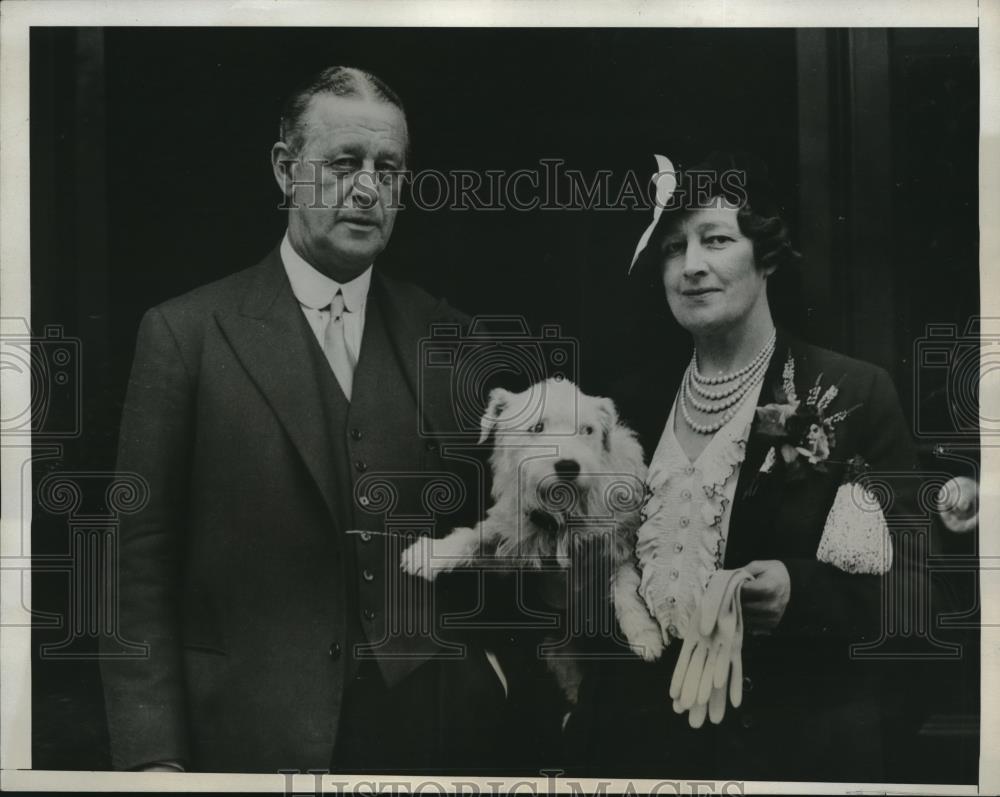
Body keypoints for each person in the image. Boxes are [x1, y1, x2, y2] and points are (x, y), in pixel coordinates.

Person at [100, 66, 521, 774]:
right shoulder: (186, 334)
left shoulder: (445, 334)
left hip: (422, 742)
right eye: (343, 163)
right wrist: (151, 758)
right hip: (245, 738)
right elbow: (134, 567)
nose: (366, 188)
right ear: (285, 169)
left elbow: (512, 522)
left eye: (388, 169)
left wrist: (494, 672)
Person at [565, 151, 924, 782]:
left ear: (767, 256)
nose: (692, 266)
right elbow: (587, 575)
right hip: (636, 753)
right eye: (674, 248)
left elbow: (927, 592)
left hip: (787, 755)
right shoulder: (628, 408)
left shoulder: (853, 393)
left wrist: (801, 594)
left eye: (717, 240)